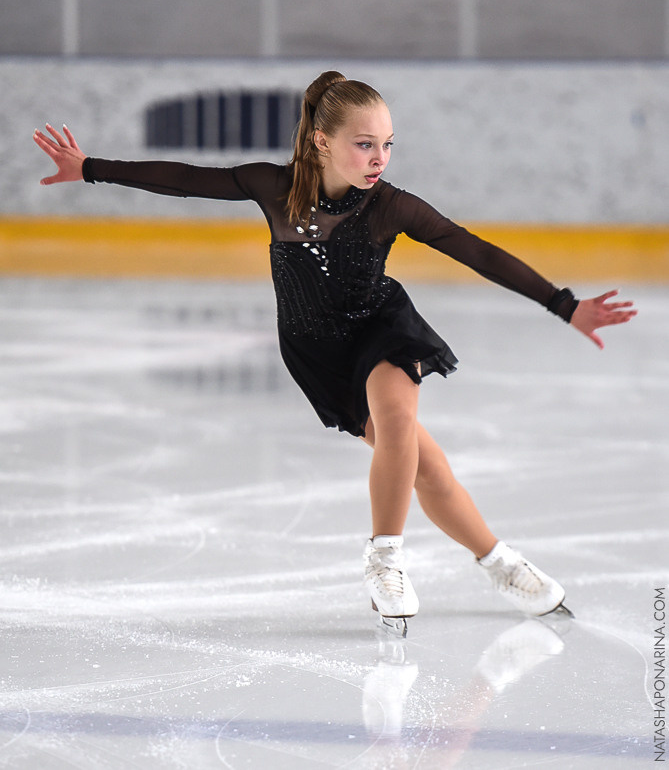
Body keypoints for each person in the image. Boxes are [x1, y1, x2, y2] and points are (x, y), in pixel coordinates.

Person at [33, 70, 636, 636]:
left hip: (381, 327)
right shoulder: (273, 188)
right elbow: (185, 178)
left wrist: (564, 304)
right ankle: (500, 562)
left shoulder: (391, 205)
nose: (380, 159)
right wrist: (89, 168)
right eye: (365, 144)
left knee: (397, 421)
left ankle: (384, 559)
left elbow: (473, 249)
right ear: (322, 142)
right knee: (425, 469)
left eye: (388, 145)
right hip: (317, 351)